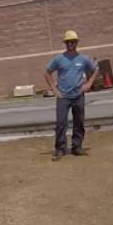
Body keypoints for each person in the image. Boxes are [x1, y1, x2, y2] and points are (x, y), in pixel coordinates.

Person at [45, 29, 99, 161]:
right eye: (68, 42)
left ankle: (77, 147)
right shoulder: (58, 59)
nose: (71, 44)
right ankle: (60, 149)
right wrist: (54, 89)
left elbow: (95, 70)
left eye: (73, 41)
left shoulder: (83, 59)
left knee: (79, 122)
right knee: (61, 123)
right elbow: (47, 72)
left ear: (77, 43)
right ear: (65, 43)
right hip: (63, 97)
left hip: (78, 96)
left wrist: (88, 84)